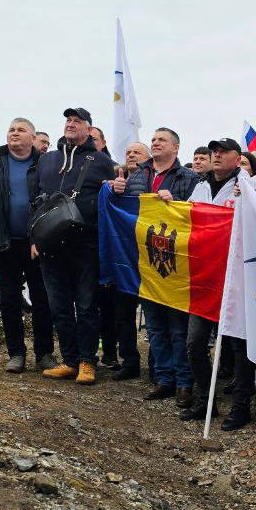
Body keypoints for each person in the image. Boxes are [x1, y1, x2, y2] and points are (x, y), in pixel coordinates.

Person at [0, 118, 55, 372]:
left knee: (42, 299)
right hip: (3, 244)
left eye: (21, 130)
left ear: (32, 137)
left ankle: (44, 353)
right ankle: (16, 353)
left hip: (37, 245)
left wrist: (41, 238)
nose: (15, 133)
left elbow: (51, 204)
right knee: (9, 300)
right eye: (11, 130)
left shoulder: (44, 164)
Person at [114, 127, 201, 385]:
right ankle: (163, 379)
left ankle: (184, 382)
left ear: (175, 147)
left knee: (177, 328)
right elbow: (125, 211)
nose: (155, 143)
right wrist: (116, 190)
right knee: (154, 327)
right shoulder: (138, 175)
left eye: (162, 139)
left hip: (176, 263)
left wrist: (175, 202)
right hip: (146, 262)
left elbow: (197, 212)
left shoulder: (189, 178)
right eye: (153, 139)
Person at [184, 138, 256, 427]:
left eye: (223, 151)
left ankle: (241, 405)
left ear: (237, 156)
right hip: (205, 277)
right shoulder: (201, 186)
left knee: (238, 346)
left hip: (237, 276)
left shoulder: (250, 185)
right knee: (194, 343)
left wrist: (250, 202)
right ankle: (206, 401)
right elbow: (188, 220)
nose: (216, 155)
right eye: (213, 151)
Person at [35, 108, 115, 385]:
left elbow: (113, 198)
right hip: (51, 246)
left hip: (86, 244)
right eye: (68, 120)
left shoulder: (103, 161)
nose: (70, 124)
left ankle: (87, 361)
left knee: (87, 305)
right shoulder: (47, 161)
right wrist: (35, 239)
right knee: (58, 305)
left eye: (77, 121)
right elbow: (38, 200)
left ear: (89, 129)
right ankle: (69, 360)